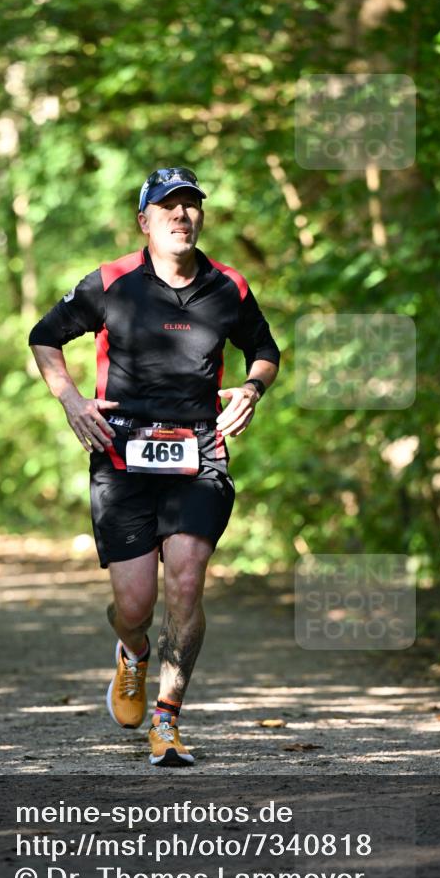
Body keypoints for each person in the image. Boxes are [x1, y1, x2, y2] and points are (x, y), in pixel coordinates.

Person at [29, 167, 280, 766]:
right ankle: (132, 652)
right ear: (144, 221)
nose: (181, 215)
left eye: (191, 205)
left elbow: (265, 349)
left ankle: (167, 720)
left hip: (200, 452)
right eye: (167, 207)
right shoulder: (111, 282)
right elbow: (45, 336)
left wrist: (251, 389)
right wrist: (71, 401)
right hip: (121, 457)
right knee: (136, 605)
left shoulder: (229, 287)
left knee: (188, 579)